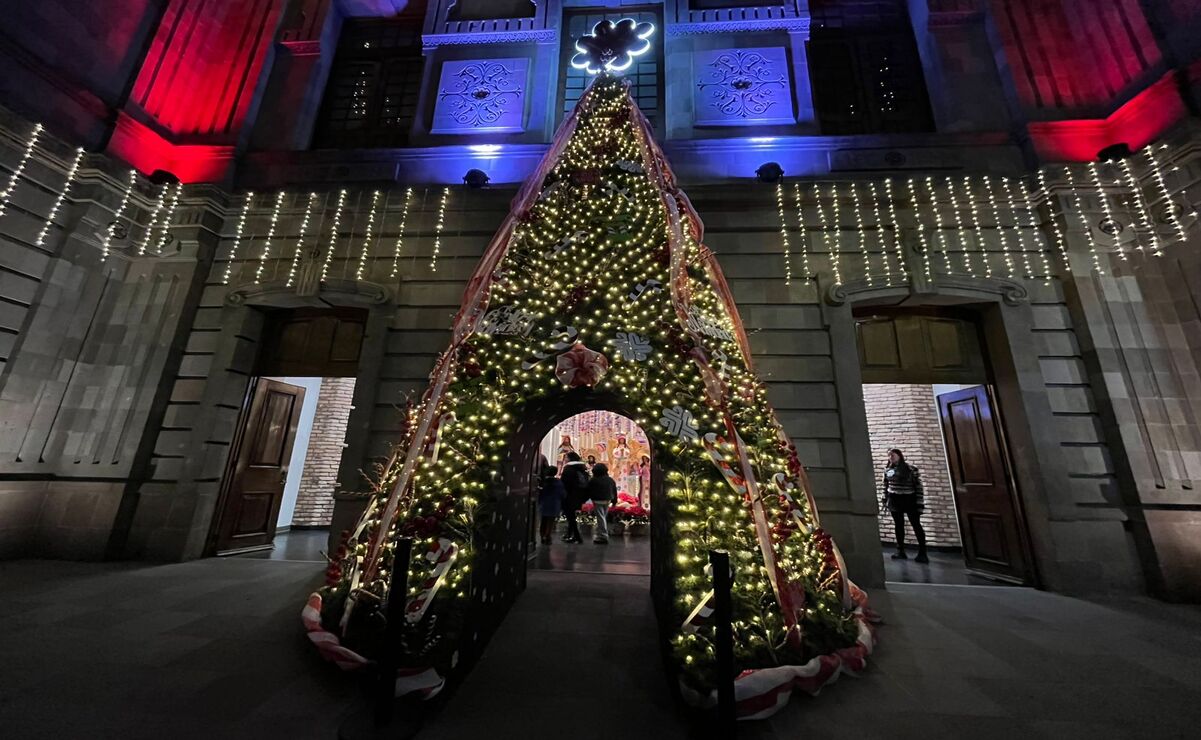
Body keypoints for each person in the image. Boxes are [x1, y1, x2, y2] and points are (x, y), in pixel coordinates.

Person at [881, 448, 928, 563]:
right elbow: (885, 486)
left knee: (916, 524)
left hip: (909, 498)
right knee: (898, 525)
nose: (891, 457)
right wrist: (884, 499)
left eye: (893, 455)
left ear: (899, 456)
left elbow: (918, 486)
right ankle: (900, 550)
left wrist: (919, 503)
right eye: (889, 455)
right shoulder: (887, 470)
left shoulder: (911, 469)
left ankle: (922, 552)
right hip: (894, 499)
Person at [560, 452, 590, 544]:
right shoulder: (582, 468)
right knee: (571, 516)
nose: (565, 459)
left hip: (569, 496)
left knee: (570, 517)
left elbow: (564, 484)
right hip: (580, 496)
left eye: (566, 457)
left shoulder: (568, 469)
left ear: (570, 459)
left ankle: (577, 537)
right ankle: (569, 534)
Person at [586, 462, 618, 544]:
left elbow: (588, 490)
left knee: (600, 518)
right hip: (607, 500)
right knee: (603, 516)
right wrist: (614, 501)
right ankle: (600, 534)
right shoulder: (610, 480)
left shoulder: (593, 480)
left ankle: (603, 536)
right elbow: (614, 490)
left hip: (597, 500)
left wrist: (584, 499)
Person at [537, 464, 565, 545]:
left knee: (543, 521)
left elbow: (540, 492)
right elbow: (562, 494)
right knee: (551, 522)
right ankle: (548, 536)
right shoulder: (559, 482)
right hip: (555, 504)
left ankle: (542, 536)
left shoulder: (543, 482)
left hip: (544, 503)